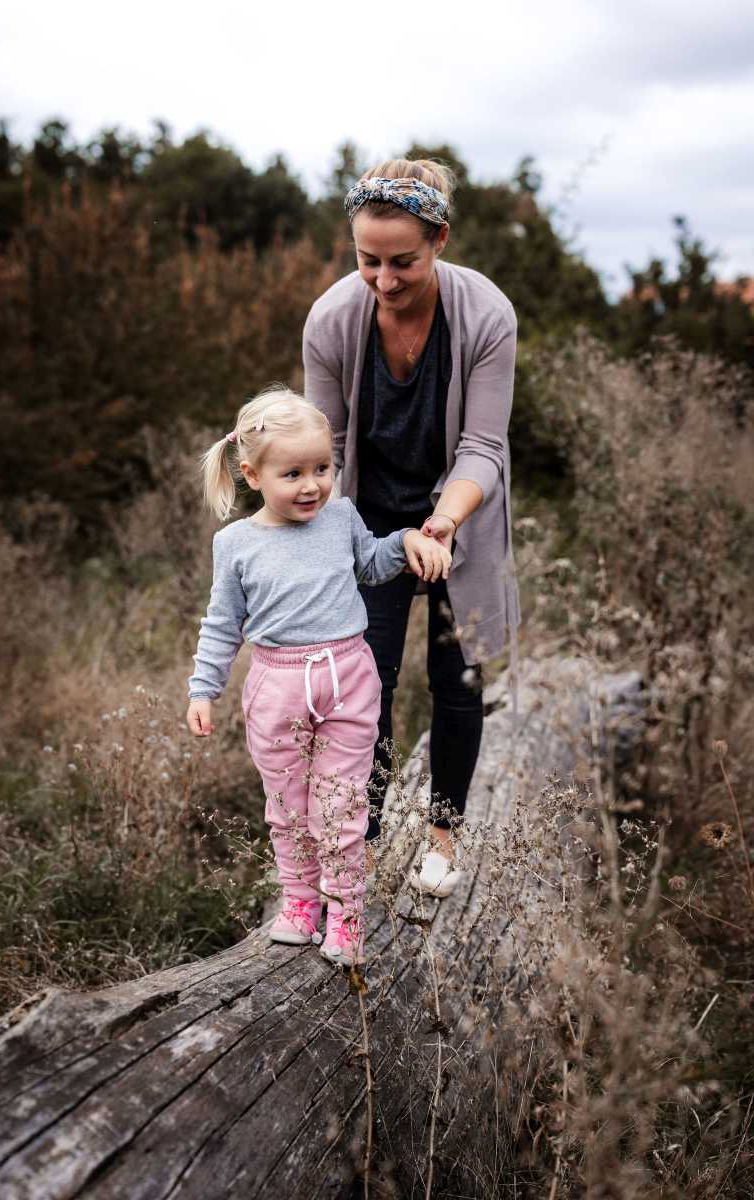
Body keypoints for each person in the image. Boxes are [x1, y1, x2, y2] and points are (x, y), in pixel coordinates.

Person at [303, 159, 519, 898]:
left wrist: (444, 524)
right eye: (368, 261)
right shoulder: (333, 321)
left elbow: (484, 448)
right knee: (368, 682)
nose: (384, 280)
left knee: (457, 680)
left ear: (440, 241)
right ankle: (358, 845)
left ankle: (442, 840)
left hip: (460, 508)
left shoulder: (487, 315)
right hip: (366, 519)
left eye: (403, 261)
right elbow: (325, 449)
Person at [186, 387, 450, 967]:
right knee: (287, 804)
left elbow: (373, 564)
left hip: (349, 677)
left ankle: (347, 916)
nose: (312, 485)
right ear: (253, 474)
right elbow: (222, 623)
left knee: (341, 805)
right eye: (293, 473)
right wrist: (204, 689)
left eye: (323, 469)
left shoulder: (340, 518)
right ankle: (301, 903)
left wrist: (406, 541)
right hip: (276, 687)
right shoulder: (235, 545)